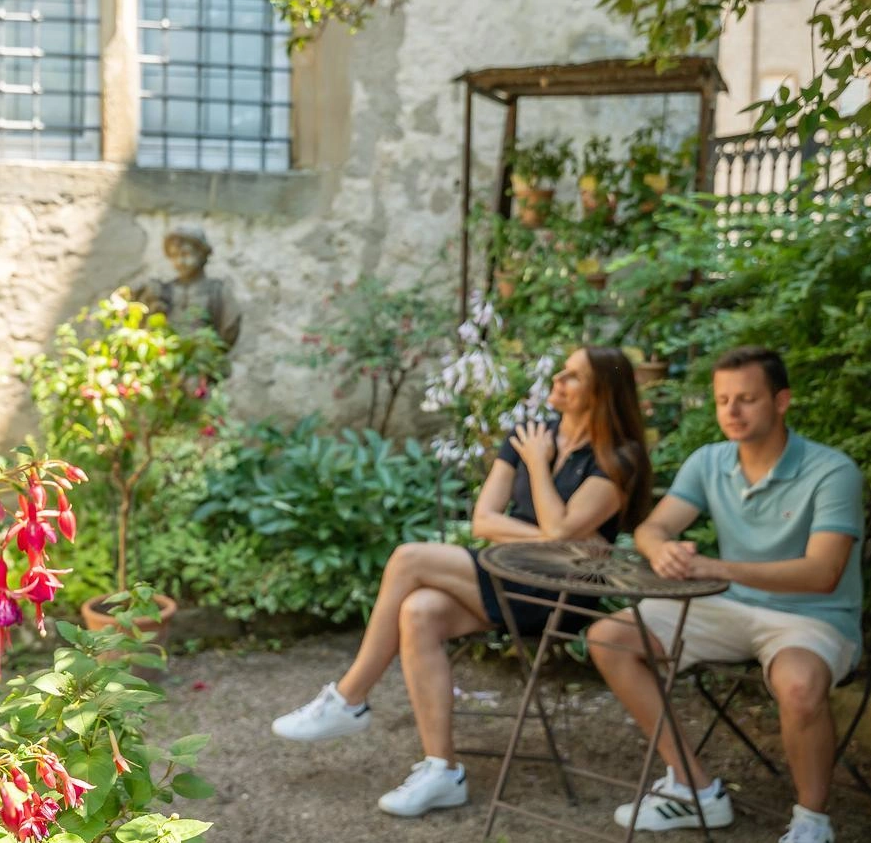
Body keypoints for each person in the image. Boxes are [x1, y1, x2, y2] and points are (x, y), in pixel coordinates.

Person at [272, 346, 652, 817]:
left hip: (563, 596)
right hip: (508, 575)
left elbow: (557, 531)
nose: (558, 379)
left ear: (603, 392)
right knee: (419, 612)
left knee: (409, 558)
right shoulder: (530, 434)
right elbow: (485, 520)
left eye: (573, 376)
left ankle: (349, 698)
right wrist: (561, 538)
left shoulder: (617, 458)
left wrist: (538, 468)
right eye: (561, 370)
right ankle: (442, 771)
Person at [588, 346, 863, 843]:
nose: (732, 412)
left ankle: (811, 824)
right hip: (728, 609)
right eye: (722, 401)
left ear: (781, 401)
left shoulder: (833, 472)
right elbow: (652, 525)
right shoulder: (710, 461)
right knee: (608, 637)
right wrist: (661, 548)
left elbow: (821, 572)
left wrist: (718, 568)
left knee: (801, 688)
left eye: (747, 399)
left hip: (812, 617)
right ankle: (694, 788)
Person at [137, 227, 242, 350]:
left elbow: (228, 329)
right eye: (174, 256)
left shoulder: (218, 291)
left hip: (205, 361)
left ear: (201, 254)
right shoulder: (164, 291)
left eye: (186, 254)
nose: (180, 261)